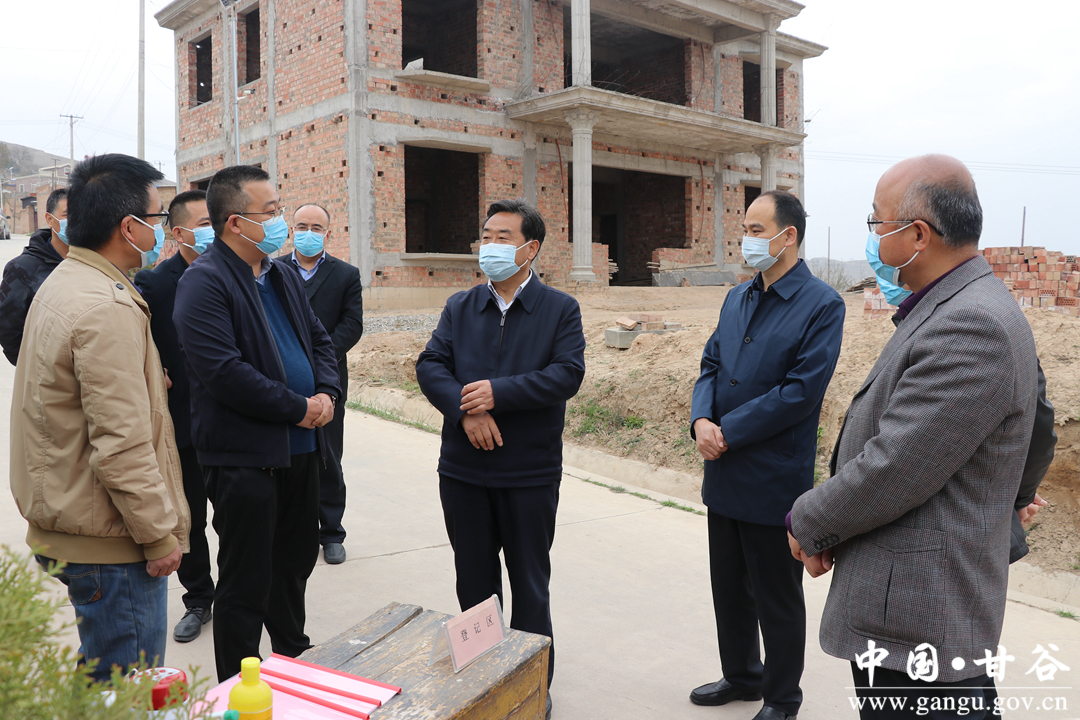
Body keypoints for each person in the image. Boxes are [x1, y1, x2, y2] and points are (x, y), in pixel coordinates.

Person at [788, 155, 1039, 720]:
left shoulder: (970, 324)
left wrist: (807, 521)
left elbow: (895, 466)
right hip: (908, 610)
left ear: (918, 235)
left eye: (876, 222)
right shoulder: (957, 305)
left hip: (922, 616)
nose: (873, 238)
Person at [9, 154, 190, 681]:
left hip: (77, 522)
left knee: (100, 683)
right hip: (111, 543)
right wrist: (158, 536)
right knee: (124, 691)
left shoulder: (68, 280)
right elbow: (121, 442)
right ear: (129, 228)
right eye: (157, 219)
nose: (161, 231)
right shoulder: (103, 306)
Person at [416, 199, 585, 718]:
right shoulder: (461, 306)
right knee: (473, 582)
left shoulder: (559, 309)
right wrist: (465, 411)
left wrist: (498, 393)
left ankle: (533, 684)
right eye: (485, 236)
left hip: (529, 472)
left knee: (530, 583)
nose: (488, 245)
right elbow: (431, 364)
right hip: (463, 470)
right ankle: (484, 680)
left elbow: (567, 374)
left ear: (530, 249)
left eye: (501, 237)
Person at [173, 165, 340, 682]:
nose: (280, 221)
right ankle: (238, 684)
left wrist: (327, 393)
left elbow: (319, 340)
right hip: (244, 457)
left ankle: (293, 660)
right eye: (270, 212)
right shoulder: (204, 282)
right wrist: (298, 407)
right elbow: (224, 373)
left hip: (300, 450)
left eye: (278, 209)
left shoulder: (280, 274)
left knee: (293, 566)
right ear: (235, 223)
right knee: (246, 580)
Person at [688, 190, 845, 720]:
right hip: (723, 469)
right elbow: (710, 364)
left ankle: (781, 698)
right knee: (728, 587)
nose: (747, 239)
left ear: (788, 235)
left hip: (773, 476)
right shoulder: (738, 297)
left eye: (757, 230)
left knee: (775, 594)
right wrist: (701, 420)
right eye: (746, 229)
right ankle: (741, 676)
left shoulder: (822, 305)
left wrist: (727, 430)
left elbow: (800, 392)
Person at [134, 190, 217, 643]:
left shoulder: (239, 274)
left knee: (240, 516)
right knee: (190, 519)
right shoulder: (155, 284)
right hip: (182, 422)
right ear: (178, 232)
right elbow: (141, 342)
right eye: (204, 223)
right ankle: (199, 598)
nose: (213, 230)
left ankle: (242, 593)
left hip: (233, 421)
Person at [281, 203, 364, 565]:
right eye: (302, 226)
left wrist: (319, 354)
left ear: (328, 233)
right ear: (291, 230)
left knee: (328, 456)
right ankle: (293, 529)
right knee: (287, 456)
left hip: (328, 380)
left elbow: (352, 324)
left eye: (316, 228)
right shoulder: (272, 270)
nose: (309, 233)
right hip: (283, 379)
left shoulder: (346, 274)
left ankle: (331, 532)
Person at [0, 187, 69, 364]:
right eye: (68, 215)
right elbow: (9, 332)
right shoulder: (21, 269)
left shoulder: (94, 263)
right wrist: (36, 369)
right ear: (50, 220)